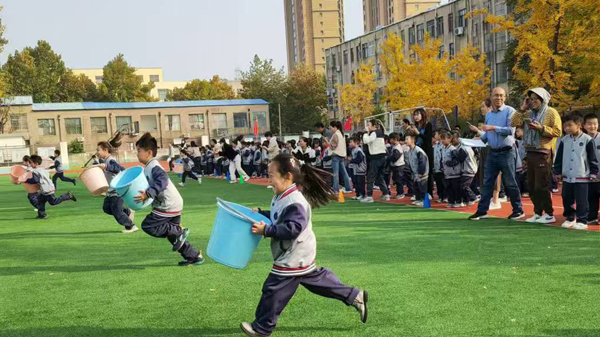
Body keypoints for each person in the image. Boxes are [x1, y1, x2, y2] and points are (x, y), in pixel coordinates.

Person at [240, 153, 368, 336]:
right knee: (316, 281)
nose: (269, 179)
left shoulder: (295, 201)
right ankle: (354, 295)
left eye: (271, 175)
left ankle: (262, 327)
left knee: (273, 288)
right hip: (297, 251)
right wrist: (263, 214)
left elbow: (292, 229)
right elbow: (280, 216)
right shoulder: (283, 195)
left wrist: (266, 230)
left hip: (295, 253)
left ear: (288, 176)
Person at [134, 133, 204, 266]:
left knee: (148, 225)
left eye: (139, 151)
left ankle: (179, 232)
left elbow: (163, 180)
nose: (137, 153)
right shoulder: (149, 166)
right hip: (174, 203)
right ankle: (194, 256)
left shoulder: (153, 166)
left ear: (149, 152)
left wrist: (148, 194)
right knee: (173, 237)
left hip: (168, 204)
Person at [469, 88, 524, 221]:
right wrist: (476, 140)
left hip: (507, 152)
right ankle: (482, 211)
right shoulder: (489, 115)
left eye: (501, 96)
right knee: (487, 182)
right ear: (491, 97)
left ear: (505, 97)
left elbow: (510, 131)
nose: (498, 98)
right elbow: (488, 135)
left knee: (510, 182)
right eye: (496, 96)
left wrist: (493, 128)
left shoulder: (510, 111)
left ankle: (518, 210)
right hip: (493, 152)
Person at [511, 88, 562, 224]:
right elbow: (513, 123)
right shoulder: (528, 113)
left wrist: (541, 128)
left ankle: (549, 213)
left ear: (543, 100)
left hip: (544, 152)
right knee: (532, 185)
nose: (532, 102)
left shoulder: (551, 112)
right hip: (530, 151)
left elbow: (558, 131)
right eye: (530, 99)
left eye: (535, 99)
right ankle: (538, 212)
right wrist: (522, 108)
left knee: (542, 185)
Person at [553, 113, 598, 230]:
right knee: (566, 198)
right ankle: (569, 217)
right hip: (567, 175)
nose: (566, 128)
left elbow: (592, 158)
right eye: (565, 126)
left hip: (582, 175)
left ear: (579, 125)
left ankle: (582, 220)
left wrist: (593, 172)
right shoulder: (564, 140)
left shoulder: (587, 140)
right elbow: (559, 157)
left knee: (582, 199)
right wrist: (557, 171)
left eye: (569, 125)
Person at [95, 141, 137, 233]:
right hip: (109, 192)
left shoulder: (110, 160)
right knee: (106, 208)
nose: (97, 152)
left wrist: (106, 166)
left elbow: (120, 169)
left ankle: (131, 226)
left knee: (117, 213)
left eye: (98, 150)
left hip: (116, 192)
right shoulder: (105, 161)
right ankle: (128, 212)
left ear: (105, 150)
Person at [25, 154, 77, 219]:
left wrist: (26, 180)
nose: (29, 164)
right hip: (46, 189)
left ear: (35, 163)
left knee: (53, 202)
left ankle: (67, 196)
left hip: (48, 190)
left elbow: (35, 180)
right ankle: (42, 215)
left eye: (30, 162)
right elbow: (48, 177)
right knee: (40, 201)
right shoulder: (42, 169)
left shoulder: (35, 171)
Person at [362, 119, 390, 203]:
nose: (367, 126)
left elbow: (366, 141)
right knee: (379, 177)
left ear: (374, 126)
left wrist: (365, 133)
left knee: (370, 176)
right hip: (382, 157)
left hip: (376, 157)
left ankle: (369, 196)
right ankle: (386, 194)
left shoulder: (374, 133)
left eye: (369, 125)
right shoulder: (380, 132)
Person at [410, 108, 434, 197]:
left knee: (427, 172)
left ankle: (429, 192)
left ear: (423, 115)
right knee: (417, 171)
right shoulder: (416, 126)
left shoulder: (428, 125)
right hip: (417, 150)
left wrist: (418, 133)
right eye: (415, 115)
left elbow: (428, 139)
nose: (416, 117)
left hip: (426, 151)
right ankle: (418, 193)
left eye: (418, 114)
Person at [452, 132, 478, 205]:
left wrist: (454, 154)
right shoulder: (463, 147)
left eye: (453, 138)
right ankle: (467, 200)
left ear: (458, 139)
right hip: (468, 169)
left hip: (469, 169)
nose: (452, 140)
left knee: (464, 186)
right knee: (463, 186)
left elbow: (460, 159)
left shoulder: (463, 148)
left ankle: (473, 197)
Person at [584, 113, 600, 224]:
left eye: (594, 124)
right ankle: (592, 216)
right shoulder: (583, 139)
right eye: (589, 124)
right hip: (589, 175)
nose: (592, 126)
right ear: (584, 125)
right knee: (591, 196)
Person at [405, 132, 429, 206]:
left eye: (407, 139)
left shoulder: (418, 151)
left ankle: (424, 201)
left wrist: (421, 173)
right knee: (416, 187)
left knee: (422, 187)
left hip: (422, 174)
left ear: (412, 140)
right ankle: (418, 199)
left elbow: (422, 162)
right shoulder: (409, 151)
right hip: (415, 173)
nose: (405, 140)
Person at [329, 121, 352, 194]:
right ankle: (348, 188)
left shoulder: (335, 135)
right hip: (342, 155)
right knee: (344, 173)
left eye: (331, 127)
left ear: (335, 127)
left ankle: (335, 190)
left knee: (335, 173)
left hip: (335, 155)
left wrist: (327, 142)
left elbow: (333, 146)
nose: (330, 129)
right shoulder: (341, 134)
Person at [440, 131, 461, 207]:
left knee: (455, 188)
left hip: (454, 173)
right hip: (447, 173)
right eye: (441, 139)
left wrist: (449, 163)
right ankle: (451, 201)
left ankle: (458, 201)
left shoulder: (452, 149)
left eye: (444, 139)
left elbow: (456, 160)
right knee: (448, 188)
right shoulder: (443, 149)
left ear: (449, 139)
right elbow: (442, 159)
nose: (442, 141)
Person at [387, 133, 406, 199]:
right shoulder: (395, 146)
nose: (390, 140)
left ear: (395, 139)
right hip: (396, 166)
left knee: (399, 180)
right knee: (396, 179)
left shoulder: (397, 147)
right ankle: (399, 192)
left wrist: (389, 159)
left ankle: (400, 193)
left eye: (391, 139)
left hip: (399, 166)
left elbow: (395, 157)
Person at [433, 129, 447, 203]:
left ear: (440, 135)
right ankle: (440, 196)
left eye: (436, 134)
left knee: (444, 182)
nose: (434, 135)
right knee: (438, 183)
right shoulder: (436, 145)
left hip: (443, 168)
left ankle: (445, 196)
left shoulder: (444, 145)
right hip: (437, 167)